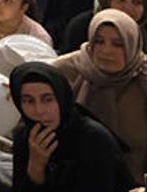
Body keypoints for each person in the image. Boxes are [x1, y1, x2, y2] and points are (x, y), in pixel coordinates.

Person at [9, 61, 136, 192]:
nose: (39, 110)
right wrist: (35, 169)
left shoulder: (93, 139)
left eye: (48, 99)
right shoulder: (25, 137)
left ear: (61, 97)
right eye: (29, 101)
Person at [50, 8, 147, 177]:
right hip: (73, 177)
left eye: (118, 44)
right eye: (99, 41)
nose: (106, 50)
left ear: (132, 44)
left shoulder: (143, 77)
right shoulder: (66, 70)